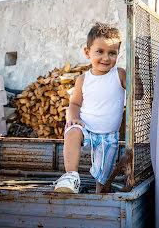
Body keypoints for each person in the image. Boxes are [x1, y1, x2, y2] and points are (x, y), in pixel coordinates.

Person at [54, 22, 126, 194]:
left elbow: (137, 93)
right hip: (86, 127)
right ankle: (71, 176)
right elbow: (75, 103)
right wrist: (73, 118)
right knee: (72, 131)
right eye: (100, 51)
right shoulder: (83, 79)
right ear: (88, 53)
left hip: (108, 136)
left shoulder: (120, 74)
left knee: (104, 177)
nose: (106, 58)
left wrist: (135, 74)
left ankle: (98, 195)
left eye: (112, 53)